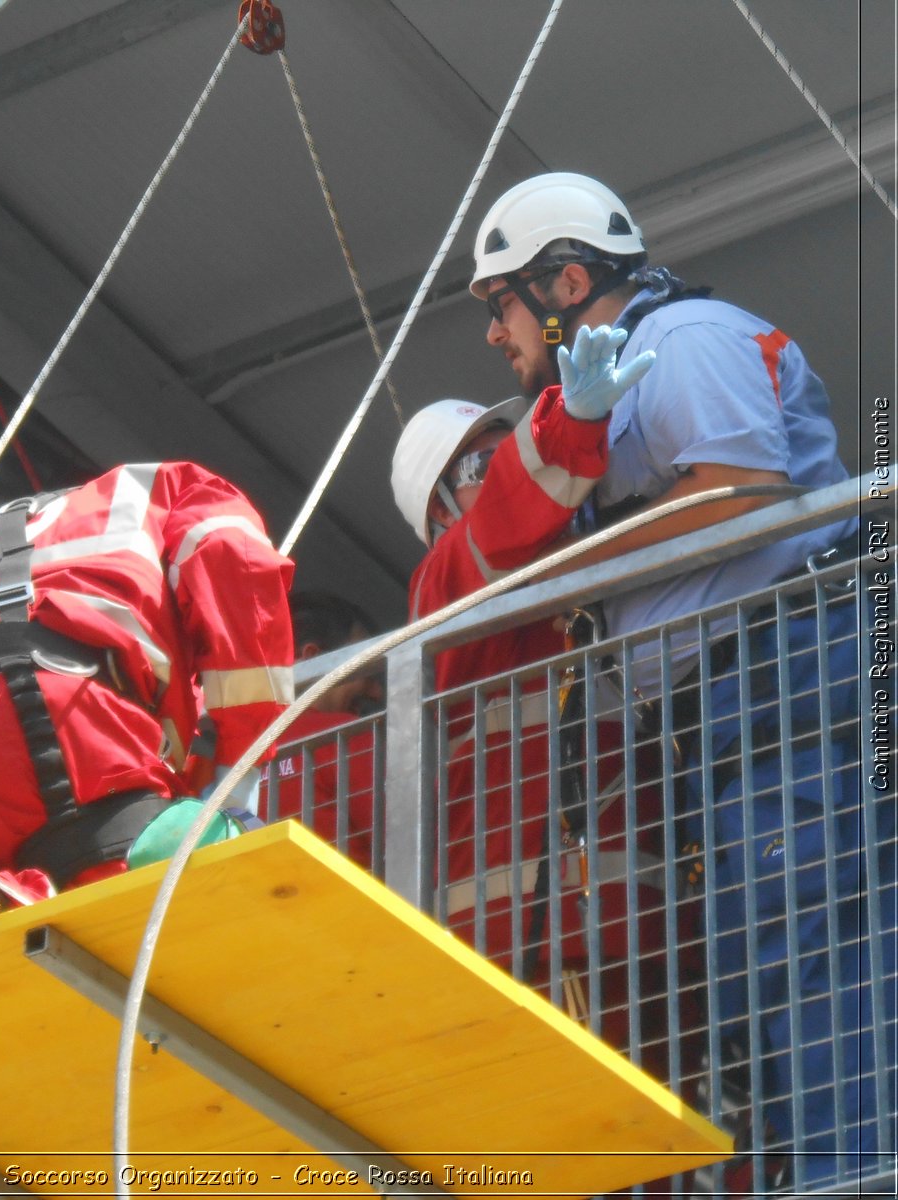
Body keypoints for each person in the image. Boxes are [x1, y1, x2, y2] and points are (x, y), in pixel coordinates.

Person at [468, 171, 888, 1187]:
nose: (494, 335)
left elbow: (741, 489)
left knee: (810, 939)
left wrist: (553, 579)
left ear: (565, 282)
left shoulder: (687, 340)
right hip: (739, 701)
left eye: (499, 304)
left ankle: (859, 1173)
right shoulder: (618, 387)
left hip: (786, 664)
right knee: (771, 960)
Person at [0, 462, 295, 973]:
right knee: (154, 879)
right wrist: (237, 766)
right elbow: (236, 561)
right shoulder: (167, 490)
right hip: (58, 722)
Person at [389, 329, 698, 1133]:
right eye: (480, 466)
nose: (506, 467)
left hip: (643, 935)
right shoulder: (446, 585)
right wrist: (564, 424)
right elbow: (502, 526)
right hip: (540, 942)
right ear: (440, 512)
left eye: (511, 448)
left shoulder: (570, 592)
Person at [263, 592, 379, 870]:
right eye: (364, 671)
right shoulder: (346, 735)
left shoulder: (231, 755)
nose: (375, 691)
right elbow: (408, 838)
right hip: (348, 908)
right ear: (313, 658)